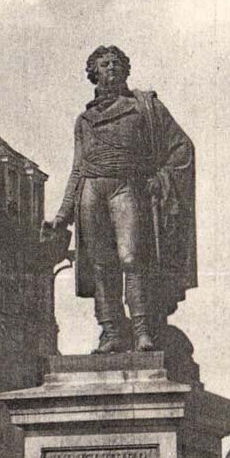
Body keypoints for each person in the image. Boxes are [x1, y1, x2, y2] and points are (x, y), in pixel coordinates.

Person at [41, 45, 197, 354]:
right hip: (91, 190)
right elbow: (78, 167)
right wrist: (62, 214)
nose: (111, 68)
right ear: (94, 73)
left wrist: (161, 177)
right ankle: (110, 331)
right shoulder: (84, 120)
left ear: (125, 70)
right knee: (101, 265)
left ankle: (142, 330)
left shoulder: (143, 108)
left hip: (127, 187)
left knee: (131, 258)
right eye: (104, 64)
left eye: (116, 63)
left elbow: (182, 148)